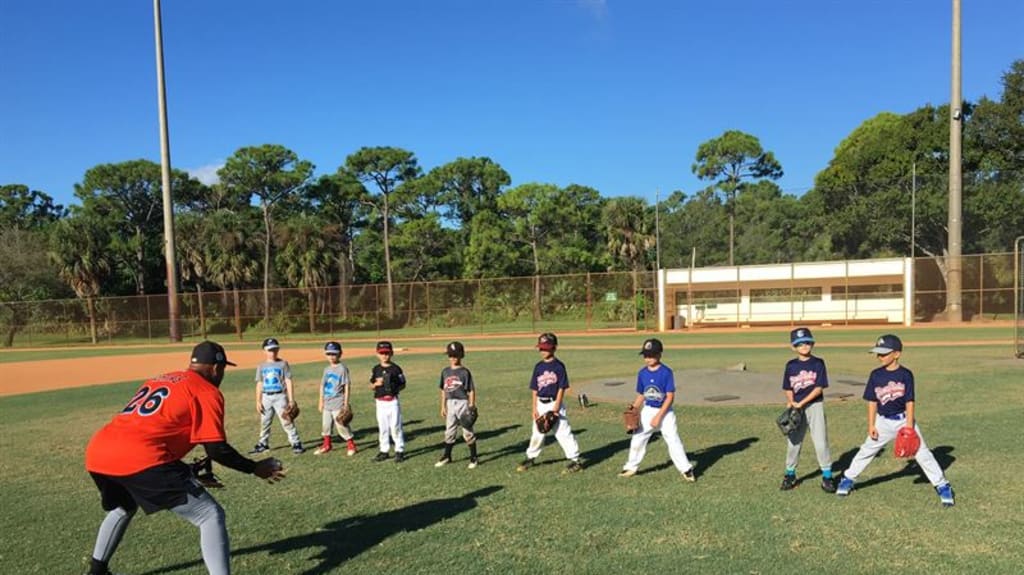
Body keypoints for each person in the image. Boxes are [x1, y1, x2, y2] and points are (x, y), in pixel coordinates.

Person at [84, 341, 286, 575]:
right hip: (140, 457)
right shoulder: (207, 391)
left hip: (99, 451)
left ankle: (97, 571)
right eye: (222, 370)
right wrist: (254, 467)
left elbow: (151, 429)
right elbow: (216, 449)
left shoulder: (161, 379)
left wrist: (186, 471)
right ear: (216, 368)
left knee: (124, 506)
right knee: (210, 515)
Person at [836, 334, 955, 507]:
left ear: (897, 354)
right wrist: (871, 425)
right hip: (882, 421)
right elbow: (872, 401)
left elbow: (909, 401)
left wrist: (909, 427)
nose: (879, 357)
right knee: (867, 450)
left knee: (922, 453)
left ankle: (942, 485)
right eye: (878, 353)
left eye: (884, 354)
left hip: (903, 420)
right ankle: (847, 479)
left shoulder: (906, 374)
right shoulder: (875, 375)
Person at [618, 338, 696, 481]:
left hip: (665, 412)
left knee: (673, 440)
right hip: (648, 410)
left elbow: (670, 397)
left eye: (651, 355)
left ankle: (686, 469)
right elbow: (642, 394)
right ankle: (630, 467)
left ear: (660, 354)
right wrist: (634, 407)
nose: (648, 358)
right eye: (646, 355)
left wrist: (659, 416)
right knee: (638, 439)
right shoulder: (642, 373)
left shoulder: (666, 372)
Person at [517, 332, 583, 473]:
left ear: (554, 348)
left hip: (554, 404)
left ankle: (575, 459)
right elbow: (535, 389)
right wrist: (534, 408)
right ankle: (531, 457)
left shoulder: (559, 366)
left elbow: (561, 387)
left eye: (546, 347)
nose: (543, 350)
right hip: (541, 403)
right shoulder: (538, 367)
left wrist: (557, 406)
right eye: (541, 347)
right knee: (537, 432)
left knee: (563, 432)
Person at [779, 327, 836, 492]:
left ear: (812, 343)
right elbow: (787, 387)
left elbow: (819, 388)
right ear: (793, 347)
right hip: (796, 407)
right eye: (799, 344)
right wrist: (791, 402)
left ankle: (827, 476)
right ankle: (790, 474)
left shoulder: (818, 363)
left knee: (820, 442)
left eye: (807, 342)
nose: (804, 346)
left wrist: (801, 402)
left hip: (814, 405)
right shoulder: (791, 365)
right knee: (793, 442)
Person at [249, 337, 305, 455]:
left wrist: (291, 400)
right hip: (266, 397)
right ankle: (263, 443)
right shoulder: (261, 366)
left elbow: (288, 381)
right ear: (264, 351)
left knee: (287, 420)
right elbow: (259, 383)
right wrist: (258, 401)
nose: (272, 352)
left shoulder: (283, 364)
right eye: (270, 350)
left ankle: (295, 442)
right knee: (265, 422)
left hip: (280, 396)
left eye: (275, 349)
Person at [435, 341, 479, 469]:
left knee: (467, 431)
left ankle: (474, 457)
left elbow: (471, 390)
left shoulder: (465, 372)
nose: (453, 358)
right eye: (451, 355)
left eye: (456, 355)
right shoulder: (445, 372)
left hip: (462, 402)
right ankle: (447, 456)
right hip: (450, 403)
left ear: (461, 355)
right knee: (449, 431)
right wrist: (443, 406)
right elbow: (443, 390)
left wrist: (471, 406)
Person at [314, 341, 357, 456]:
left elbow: (346, 386)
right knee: (326, 425)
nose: (331, 357)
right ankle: (327, 445)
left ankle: (351, 445)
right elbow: (322, 385)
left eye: (334, 354)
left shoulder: (342, 368)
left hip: (338, 402)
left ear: (340, 354)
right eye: (329, 354)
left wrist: (346, 403)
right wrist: (320, 401)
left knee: (341, 425)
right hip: (327, 403)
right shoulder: (326, 369)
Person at [370, 341, 407, 463]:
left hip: (392, 401)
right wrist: (376, 384)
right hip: (380, 402)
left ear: (391, 353)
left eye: (387, 353)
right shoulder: (376, 369)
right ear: (377, 354)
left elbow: (403, 384)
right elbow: (371, 384)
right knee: (383, 427)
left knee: (396, 426)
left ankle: (399, 450)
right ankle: (384, 450)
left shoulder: (396, 369)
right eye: (382, 353)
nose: (384, 355)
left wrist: (393, 387)